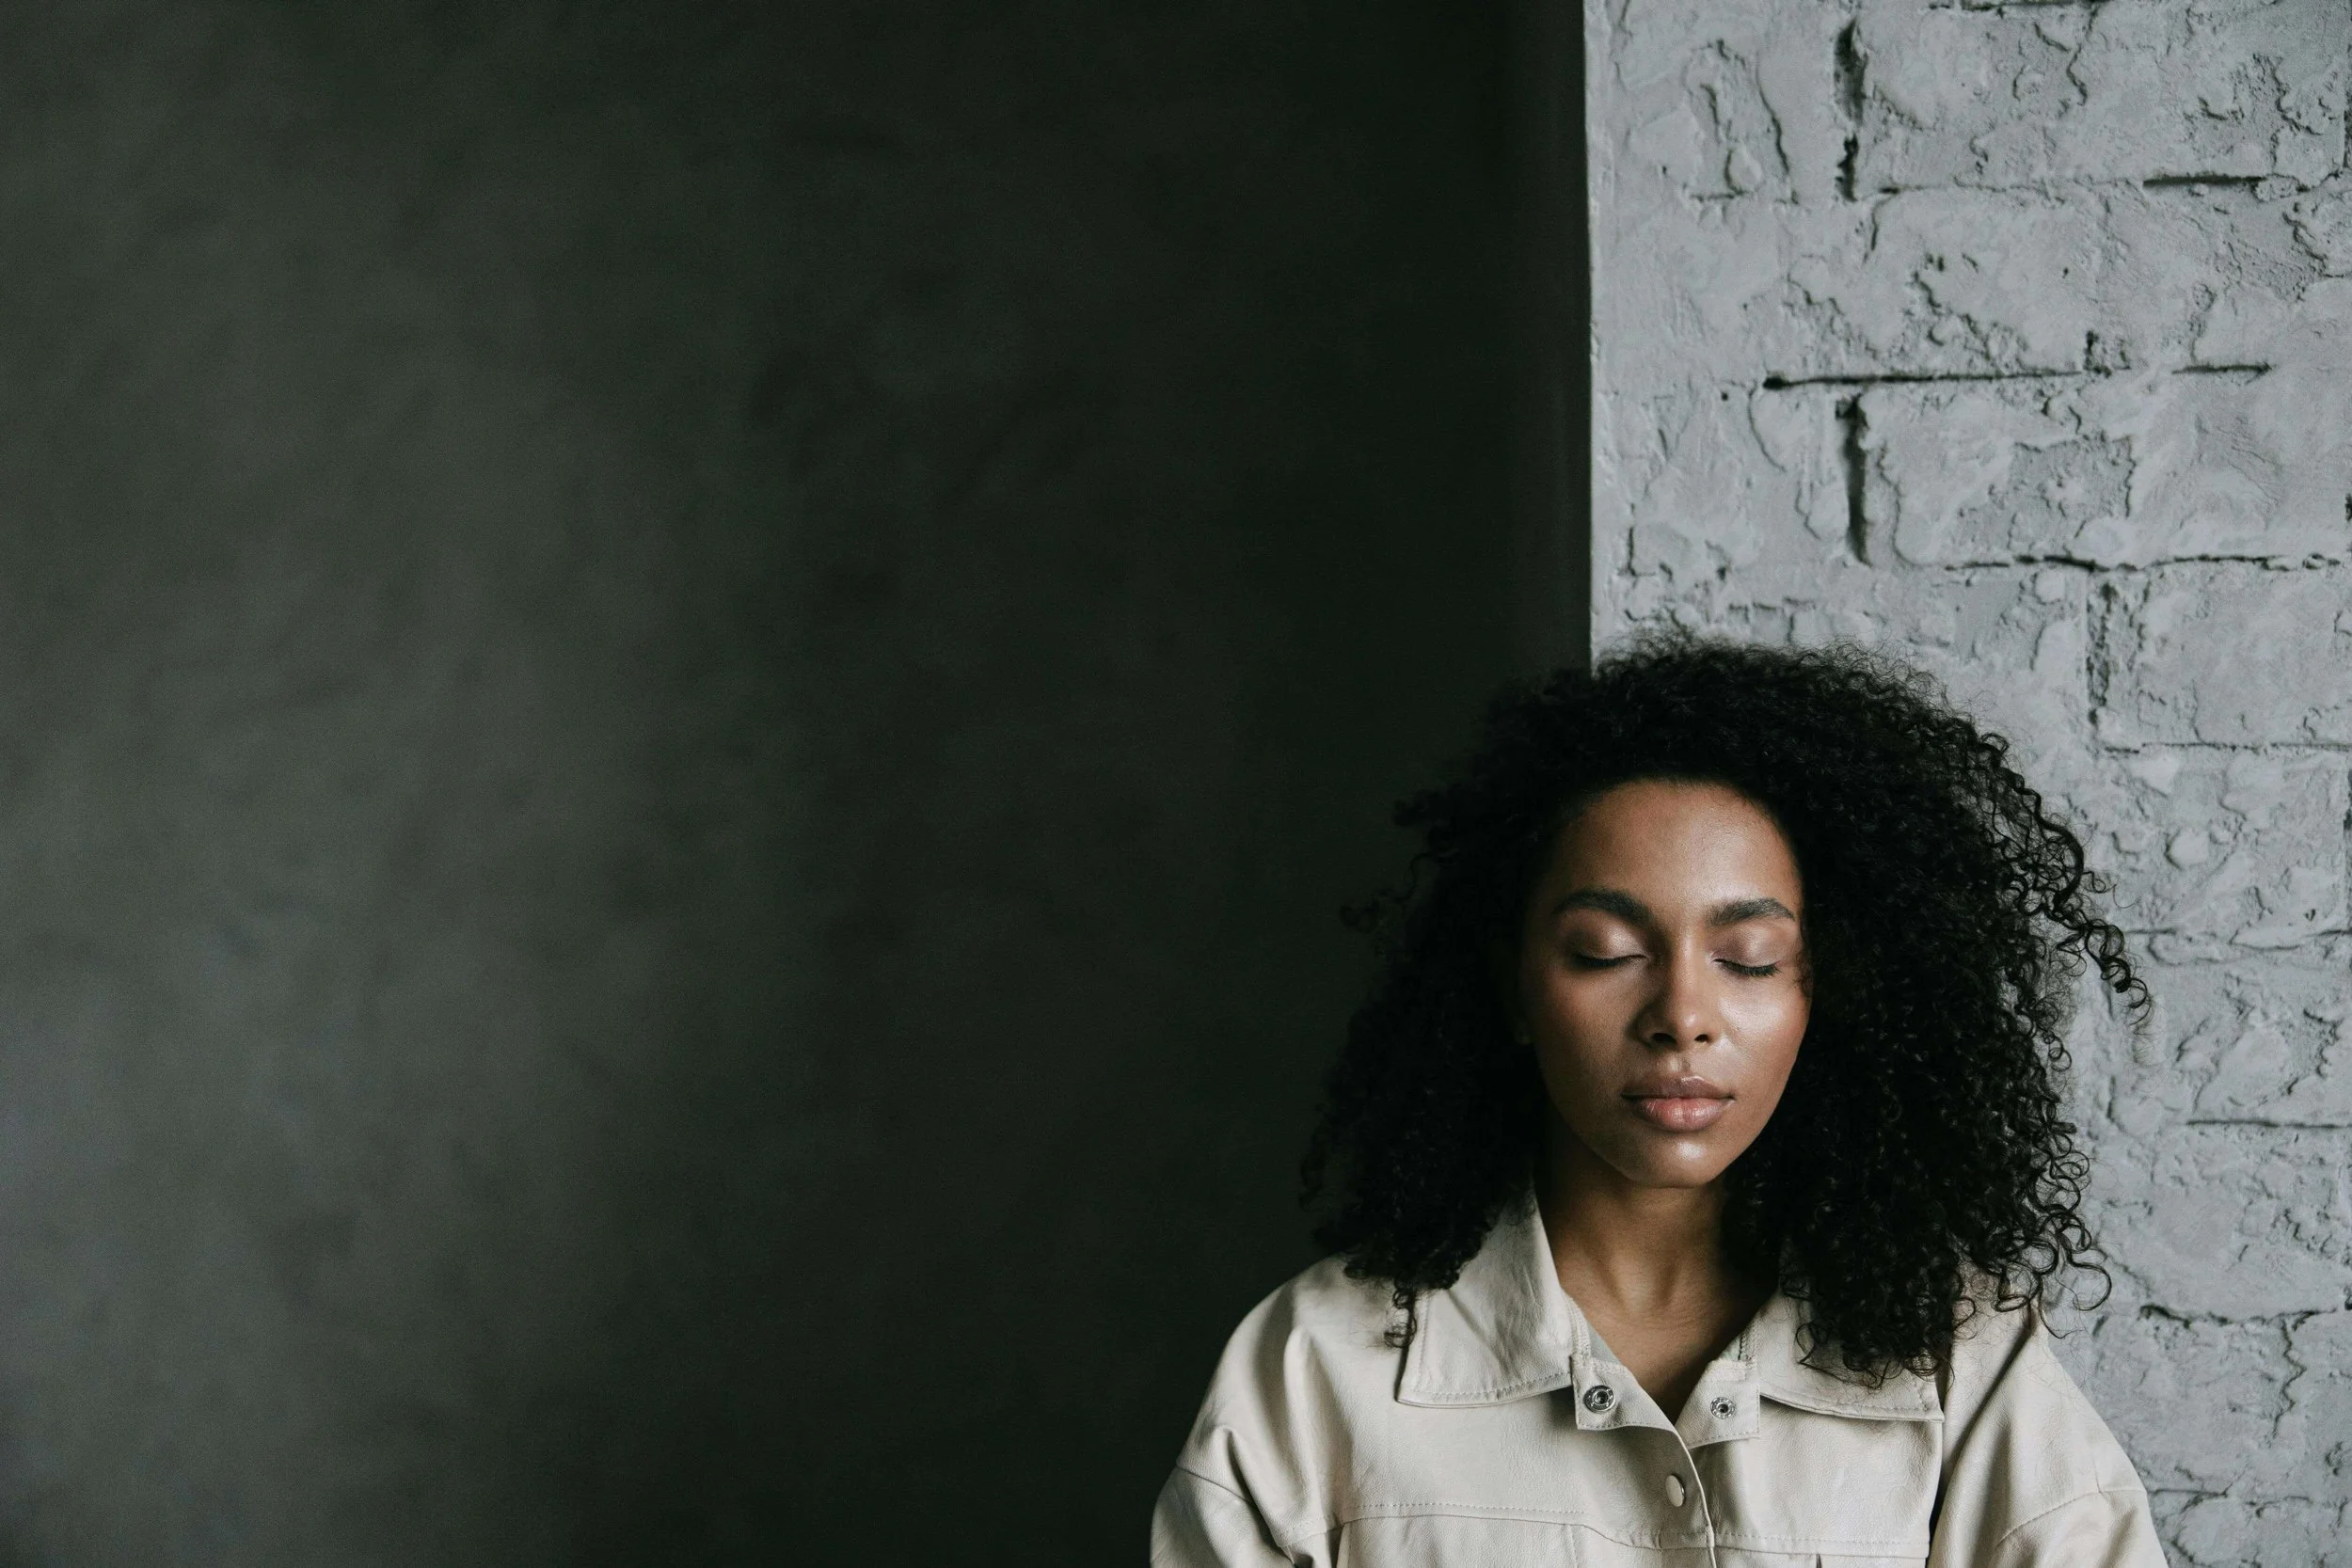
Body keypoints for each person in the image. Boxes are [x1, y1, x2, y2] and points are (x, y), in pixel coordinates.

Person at [1152, 637, 2167, 1567]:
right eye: (1605, 952)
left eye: (1749, 958)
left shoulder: (1959, 1361)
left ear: (1821, 990)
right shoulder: (1313, 1371)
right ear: (1515, 988)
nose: (1682, 1015)